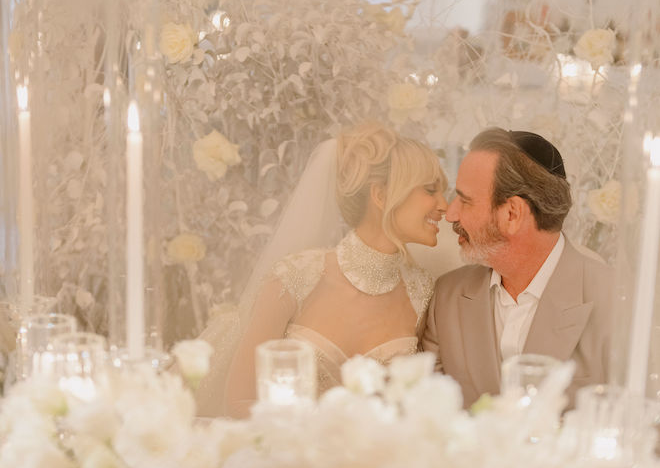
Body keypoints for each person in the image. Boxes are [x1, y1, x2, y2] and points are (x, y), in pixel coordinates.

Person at [198, 121, 448, 417]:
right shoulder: (294, 277)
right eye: (431, 190)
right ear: (380, 195)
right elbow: (239, 400)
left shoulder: (423, 293)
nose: (444, 205)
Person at [422, 127, 612, 408]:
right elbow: (428, 411)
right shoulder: (448, 296)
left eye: (465, 200)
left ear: (512, 214)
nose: (451, 214)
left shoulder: (618, 303)